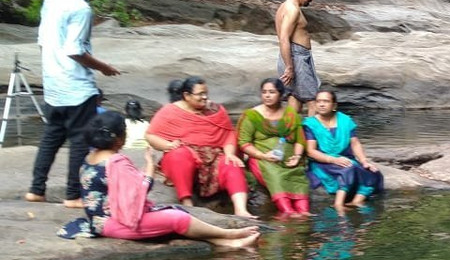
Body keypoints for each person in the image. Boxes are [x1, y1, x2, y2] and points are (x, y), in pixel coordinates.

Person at [59, 111, 260, 248]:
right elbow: (141, 190)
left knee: (171, 212)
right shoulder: (116, 161)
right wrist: (148, 167)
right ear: (118, 138)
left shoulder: (89, 158)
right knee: (176, 217)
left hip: (99, 221)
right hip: (118, 223)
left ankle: (226, 243)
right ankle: (229, 234)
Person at [26, 0, 122, 209]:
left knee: (51, 137)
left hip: (54, 84)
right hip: (77, 87)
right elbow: (74, 50)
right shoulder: (81, 8)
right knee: (80, 140)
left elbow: (43, 42)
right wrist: (104, 67)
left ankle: (36, 190)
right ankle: (73, 195)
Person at [144, 76, 253, 218]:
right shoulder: (170, 111)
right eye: (200, 94)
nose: (205, 97)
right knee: (178, 155)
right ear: (186, 96)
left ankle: (241, 209)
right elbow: (151, 135)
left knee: (231, 164)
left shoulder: (216, 110)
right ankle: (187, 202)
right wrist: (168, 145)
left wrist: (230, 153)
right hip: (186, 154)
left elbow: (228, 134)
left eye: (206, 93)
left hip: (214, 155)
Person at [237, 77, 310, 216]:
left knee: (298, 176)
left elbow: (300, 140)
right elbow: (244, 143)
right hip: (263, 159)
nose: (267, 96)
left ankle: (304, 212)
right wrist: (263, 155)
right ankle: (287, 211)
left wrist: (297, 156)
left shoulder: (290, 114)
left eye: (272, 92)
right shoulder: (252, 115)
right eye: (264, 92)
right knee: (275, 175)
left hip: (289, 159)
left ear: (281, 94)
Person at [303, 89, 384, 211]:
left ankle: (356, 201)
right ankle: (338, 204)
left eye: (326, 101)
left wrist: (364, 161)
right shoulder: (310, 124)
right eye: (318, 101)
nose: (321, 104)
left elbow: (355, 143)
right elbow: (311, 151)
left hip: (346, 158)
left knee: (374, 172)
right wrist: (332, 159)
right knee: (348, 169)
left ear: (334, 105)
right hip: (323, 162)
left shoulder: (345, 120)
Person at [276, 0, 320, 115]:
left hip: (292, 57)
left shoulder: (283, 6)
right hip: (297, 58)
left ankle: (286, 136)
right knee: (313, 100)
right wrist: (289, 67)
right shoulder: (292, 10)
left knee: (295, 97)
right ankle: (312, 136)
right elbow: (284, 38)